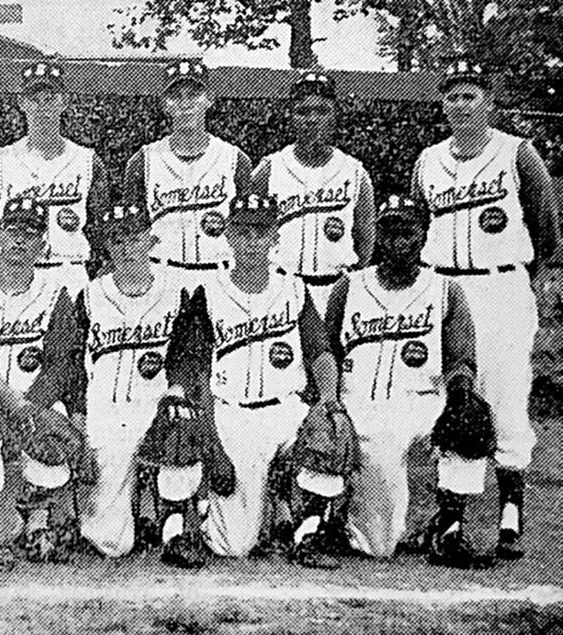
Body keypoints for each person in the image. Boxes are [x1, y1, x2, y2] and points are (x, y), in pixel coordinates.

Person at [412, 58, 561, 560]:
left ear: (489, 102)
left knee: (504, 395)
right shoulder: (428, 160)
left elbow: (546, 226)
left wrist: (530, 278)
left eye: (470, 94)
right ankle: (452, 515)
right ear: (443, 104)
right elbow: (419, 227)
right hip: (442, 288)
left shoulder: (517, 153)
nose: (460, 103)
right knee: (452, 394)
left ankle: (510, 511)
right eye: (452, 95)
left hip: (501, 287)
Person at [324, 194, 492, 568]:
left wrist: (462, 391)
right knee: (379, 545)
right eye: (389, 231)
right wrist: (328, 403)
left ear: (423, 236)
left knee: (471, 420)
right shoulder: (348, 287)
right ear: (378, 238)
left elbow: (461, 356)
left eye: (408, 232)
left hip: (422, 401)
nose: (399, 241)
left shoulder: (445, 289)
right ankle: (338, 517)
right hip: (361, 404)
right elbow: (326, 352)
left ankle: (448, 530)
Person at [190, 193, 348, 568]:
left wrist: (327, 398)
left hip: (286, 409)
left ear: (274, 236)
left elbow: (320, 352)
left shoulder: (293, 288)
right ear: (228, 234)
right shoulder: (208, 292)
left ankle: (305, 528)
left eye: (260, 232)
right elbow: (197, 373)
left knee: (324, 433)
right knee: (233, 547)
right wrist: (212, 441)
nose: (251, 241)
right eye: (242, 232)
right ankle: (208, 505)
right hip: (232, 415)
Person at [43, 203, 195, 558]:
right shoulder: (89, 296)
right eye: (117, 240)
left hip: (156, 408)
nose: (127, 248)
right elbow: (71, 367)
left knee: (181, 426)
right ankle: (134, 511)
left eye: (134, 238)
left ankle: (173, 523)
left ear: (151, 240)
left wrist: (177, 394)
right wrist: (79, 420)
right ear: (107, 247)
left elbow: (189, 356)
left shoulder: (176, 291)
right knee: (113, 544)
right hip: (105, 413)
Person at [0, 196, 85, 562]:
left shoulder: (55, 292)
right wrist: (12, 404)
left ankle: (37, 521)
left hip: (30, 401)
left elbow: (60, 364)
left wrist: (33, 407)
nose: (19, 242)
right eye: (12, 232)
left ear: (43, 246)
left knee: (53, 418)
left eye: (30, 234)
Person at [252, 71, 375, 312]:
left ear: (334, 115)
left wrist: (351, 279)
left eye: (321, 111)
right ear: (291, 117)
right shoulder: (271, 168)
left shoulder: (354, 172)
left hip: (336, 290)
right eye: (303, 112)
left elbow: (365, 238)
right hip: (280, 287)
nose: (312, 119)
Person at [121, 59, 252, 278]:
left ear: (209, 99)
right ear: (164, 104)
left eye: (193, 94)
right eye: (175, 96)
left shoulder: (235, 160)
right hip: (162, 275)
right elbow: (131, 234)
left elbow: (250, 231)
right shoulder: (142, 161)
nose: (185, 103)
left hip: (220, 275)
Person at [0, 60, 111, 289]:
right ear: (22, 103)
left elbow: (103, 228)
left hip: (69, 271)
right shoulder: (1, 160)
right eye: (34, 99)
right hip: (16, 273)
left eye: (50, 99)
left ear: (64, 101)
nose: (42, 107)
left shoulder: (87, 161)